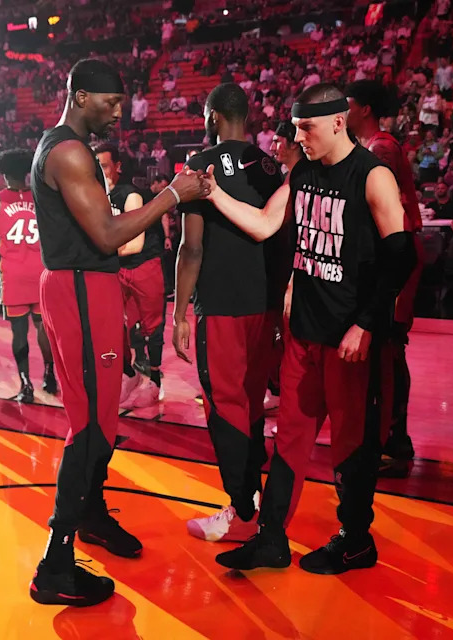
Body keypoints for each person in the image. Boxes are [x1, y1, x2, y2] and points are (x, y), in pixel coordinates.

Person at [202, 83, 415, 574]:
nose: (299, 137)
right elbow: (261, 224)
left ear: (339, 121)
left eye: (307, 128)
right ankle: (272, 538)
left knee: (351, 445)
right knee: (290, 441)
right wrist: (212, 193)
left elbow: (400, 257)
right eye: (295, 128)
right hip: (304, 332)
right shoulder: (302, 176)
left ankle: (356, 539)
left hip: (349, 338)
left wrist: (365, 323)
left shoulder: (372, 174)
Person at [28, 58, 208, 607]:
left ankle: (92, 515)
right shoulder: (67, 151)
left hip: (87, 289)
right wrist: (173, 196)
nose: (117, 114)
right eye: (108, 103)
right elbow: (107, 235)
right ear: (81, 96)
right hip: (80, 288)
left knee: (102, 417)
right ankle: (55, 564)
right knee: (91, 428)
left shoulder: (66, 148)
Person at [172, 83, 289, 545]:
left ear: (214, 116)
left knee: (225, 409)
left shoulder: (199, 167)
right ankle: (252, 501)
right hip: (263, 306)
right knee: (252, 402)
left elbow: (191, 247)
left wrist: (180, 311)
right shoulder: (271, 166)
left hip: (219, 306)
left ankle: (242, 511)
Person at [346, 80, 425, 475]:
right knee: (386, 352)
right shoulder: (374, 146)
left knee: (389, 351)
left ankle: (395, 442)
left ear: (363, 108)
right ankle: (388, 438)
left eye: (348, 103)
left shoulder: (381, 148)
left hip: (396, 257)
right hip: (392, 255)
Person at [0, 149, 56, 402]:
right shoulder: (41, 197)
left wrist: (4, 260)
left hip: (13, 275)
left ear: (2, 174)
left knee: (19, 331)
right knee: (43, 327)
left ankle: (25, 383)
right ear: (26, 171)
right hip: (41, 272)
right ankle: (50, 373)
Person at [96, 143, 164, 408]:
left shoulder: (130, 194)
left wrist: (97, 252)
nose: (99, 172)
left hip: (143, 264)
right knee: (118, 325)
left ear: (117, 167)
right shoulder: (95, 195)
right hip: (118, 266)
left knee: (152, 326)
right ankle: (130, 374)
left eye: (103, 166)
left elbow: (134, 245)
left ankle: (156, 380)